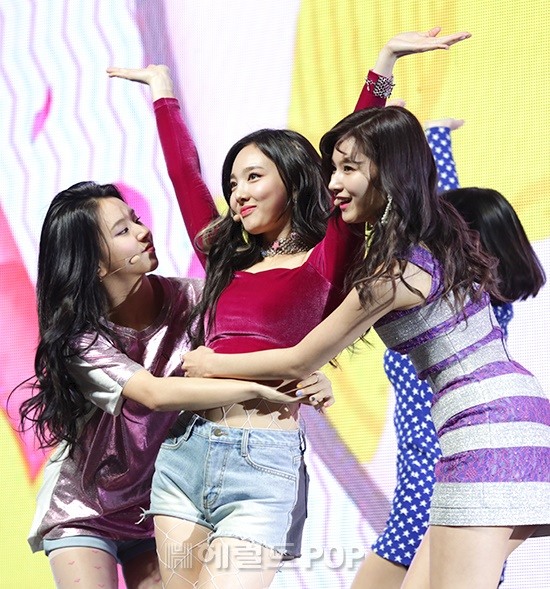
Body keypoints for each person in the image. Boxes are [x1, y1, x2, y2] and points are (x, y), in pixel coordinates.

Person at [108, 27, 471, 589]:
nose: (239, 193)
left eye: (254, 177)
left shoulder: (325, 259)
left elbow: (353, 152)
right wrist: (163, 92)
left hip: (262, 461)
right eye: (233, 182)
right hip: (185, 453)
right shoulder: (224, 259)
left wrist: (384, 65)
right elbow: (185, 176)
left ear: (296, 183)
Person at [181, 106, 550, 589]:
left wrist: (213, 363)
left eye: (348, 169)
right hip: (496, 420)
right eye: (332, 169)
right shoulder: (433, 239)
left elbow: (300, 357)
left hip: (487, 428)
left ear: (389, 172)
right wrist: (393, 86)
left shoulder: (393, 274)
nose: (333, 183)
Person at [19, 182, 329, 589]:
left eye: (136, 220)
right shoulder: (80, 339)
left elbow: (253, 348)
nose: (143, 231)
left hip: (164, 500)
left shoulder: (196, 299)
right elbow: (154, 394)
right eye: (123, 230)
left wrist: (300, 374)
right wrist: (258, 388)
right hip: (86, 508)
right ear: (94, 265)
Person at [352, 120, 546, 589]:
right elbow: (440, 209)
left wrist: (404, 141)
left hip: (446, 474)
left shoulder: (459, 298)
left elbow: (433, 214)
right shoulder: (469, 301)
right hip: (443, 473)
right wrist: (433, 138)